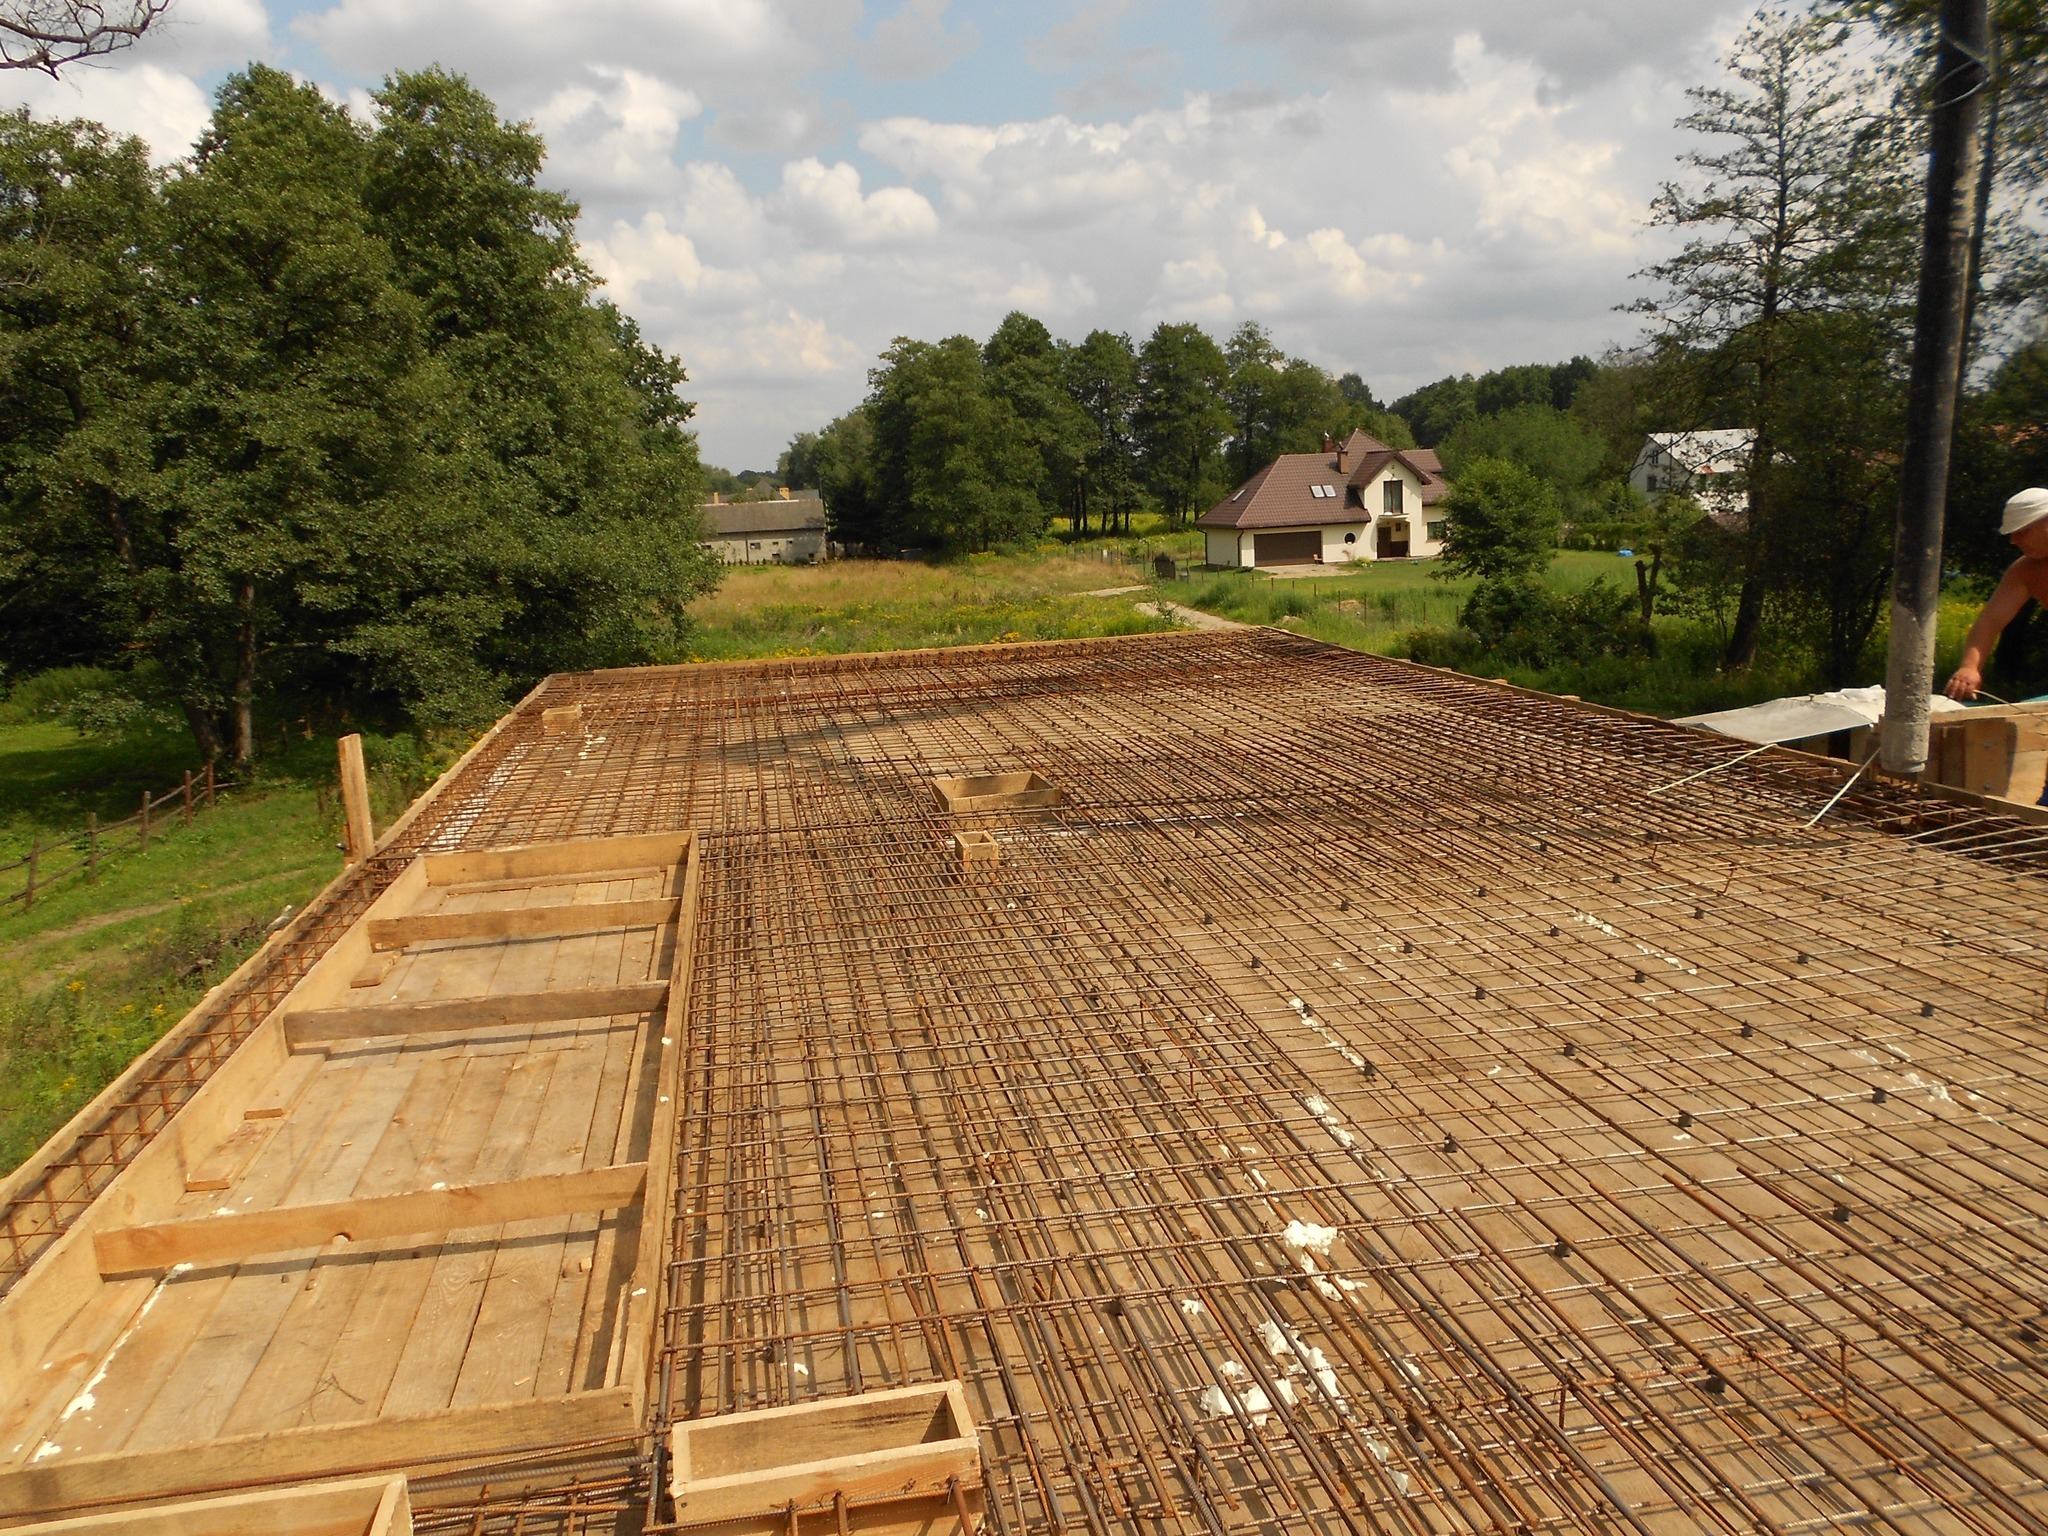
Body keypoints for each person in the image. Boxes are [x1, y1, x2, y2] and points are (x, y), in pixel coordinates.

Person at [1944, 488, 2048, 700]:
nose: (2014, 541)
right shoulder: (2025, 571)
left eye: (2022, 531)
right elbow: (1990, 622)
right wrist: (1969, 667)